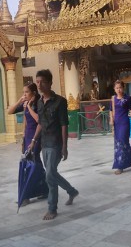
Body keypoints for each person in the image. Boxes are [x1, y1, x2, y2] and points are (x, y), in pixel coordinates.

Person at [34, 69, 78, 220]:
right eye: (37, 82)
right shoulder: (39, 102)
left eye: (42, 82)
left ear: (50, 83)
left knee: (49, 175)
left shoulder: (60, 101)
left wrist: (64, 147)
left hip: (55, 143)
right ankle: (71, 191)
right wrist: (34, 140)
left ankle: (52, 208)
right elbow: (40, 122)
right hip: (44, 142)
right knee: (51, 174)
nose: (39, 85)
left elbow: (64, 124)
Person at [7, 83, 46, 206]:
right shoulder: (25, 103)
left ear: (33, 93)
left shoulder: (39, 103)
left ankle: (26, 195)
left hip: (37, 137)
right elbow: (10, 111)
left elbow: (39, 120)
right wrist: (20, 100)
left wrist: (28, 107)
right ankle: (45, 189)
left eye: (26, 92)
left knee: (30, 165)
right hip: (28, 136)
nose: (24, 94)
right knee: (35, 164)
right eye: (23, 92)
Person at [111, 80, 131, 174]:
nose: (119, 90)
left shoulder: (128, 98)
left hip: (125, 122)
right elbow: (110, 110)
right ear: (114, 89)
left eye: (120, 87)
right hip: (116, 123)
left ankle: (120, 166)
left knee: (122, 142)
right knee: (120, 143)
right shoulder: (113, 99)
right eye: (117, 88)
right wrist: (111, 120)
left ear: (123, 88)